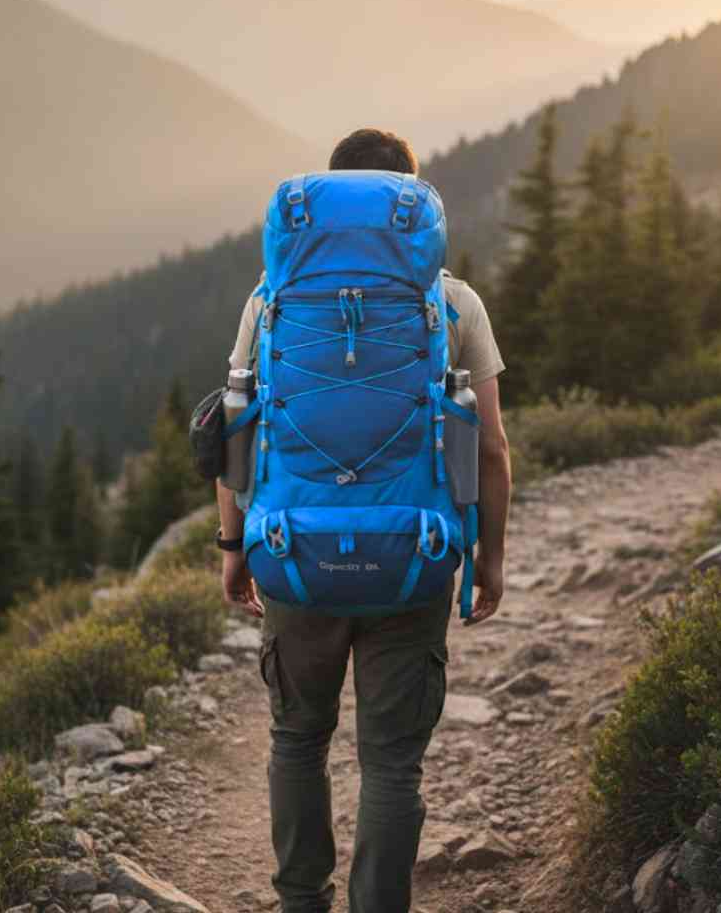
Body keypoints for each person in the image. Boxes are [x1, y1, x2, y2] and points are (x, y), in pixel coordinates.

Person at [216, 128, 511, 913]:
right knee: (390, 766)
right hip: (412, 559)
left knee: (296, 740)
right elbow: (491, 451)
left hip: (293, 553)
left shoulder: (268, 298)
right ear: (409, 205)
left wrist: (233, 545)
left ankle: (300, 902)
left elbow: (237, 429)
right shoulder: (452, 301)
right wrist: (488, 562)